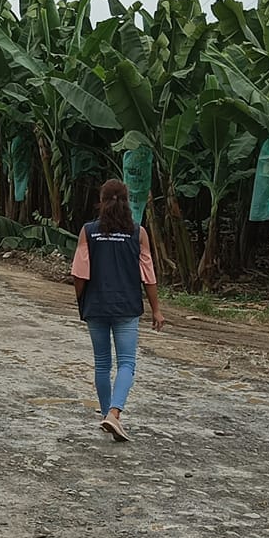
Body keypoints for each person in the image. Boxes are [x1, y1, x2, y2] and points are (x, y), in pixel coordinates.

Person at [71, 178, 164, 440]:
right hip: (126, 306)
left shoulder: (88, 231)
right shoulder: (138, 233)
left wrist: (82, 300)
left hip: (96, 305)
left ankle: (106, 415)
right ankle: (114, 413)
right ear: (127, 201)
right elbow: (148, 276)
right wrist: (156, 309)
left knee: (102, 363)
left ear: (101, 202)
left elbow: (79, 273)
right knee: (126, 363)